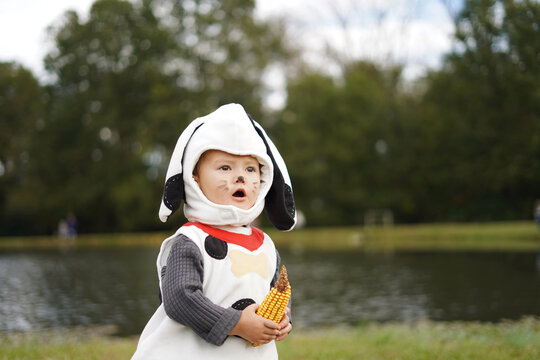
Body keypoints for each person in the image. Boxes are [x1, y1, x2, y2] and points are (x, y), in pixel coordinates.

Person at [132, 104, 297, 360]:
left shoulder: (265, 245)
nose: (240, 177)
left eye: (250, 169)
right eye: (225, 168)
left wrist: (282, 318)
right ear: (194, 178)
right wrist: (237, 323)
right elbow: (180, 298)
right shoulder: (191, 240)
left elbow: (275, 292)